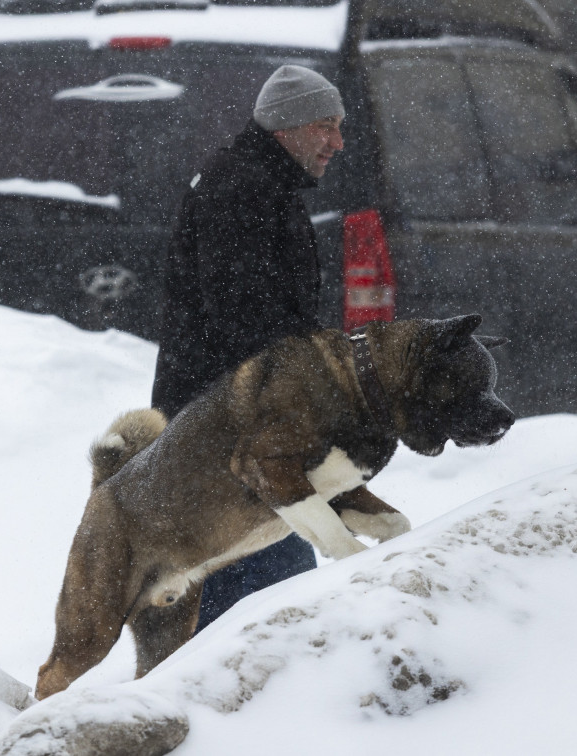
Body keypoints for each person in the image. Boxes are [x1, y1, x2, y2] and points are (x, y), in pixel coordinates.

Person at [151, 64, 346, 630]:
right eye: (325, 126)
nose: (337, 141)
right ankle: (247, 692)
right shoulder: (241, 190)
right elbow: (246, 322)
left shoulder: (264, 185)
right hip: (229, 432)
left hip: (236, 424)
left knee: (263, 585)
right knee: (263, 600)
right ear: (286, 127)